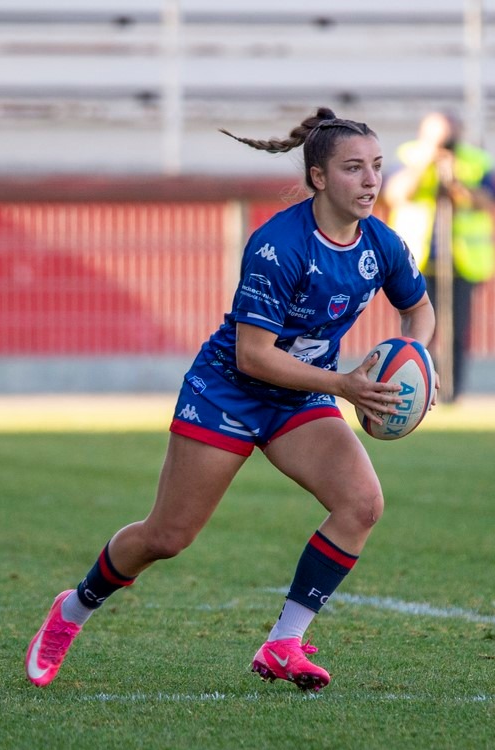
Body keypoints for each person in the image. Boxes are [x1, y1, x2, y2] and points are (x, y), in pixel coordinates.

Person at [24, 107, 435, 693]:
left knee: (362, 504)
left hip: (299, 397)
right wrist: (345, 384)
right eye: (353, 169)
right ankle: (73, 609)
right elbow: (254, 356)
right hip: (230, 392)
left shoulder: (382, 244)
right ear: (319, 177)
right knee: (167, 538)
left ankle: (283, 643)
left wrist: (418, 359)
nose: (371, 181)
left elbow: (419, 309)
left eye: (376, 166)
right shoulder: (278, 246)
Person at [382, 111, 495, 400]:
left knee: (455, 332)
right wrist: (425, 163)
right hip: (416, 262)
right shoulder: (409, 157)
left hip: (461, 261)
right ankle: (414, 388)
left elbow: (487, 201)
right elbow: (395, 194)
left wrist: (456, 181)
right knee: (418, 331)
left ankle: (450, 393)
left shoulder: (475, 161)